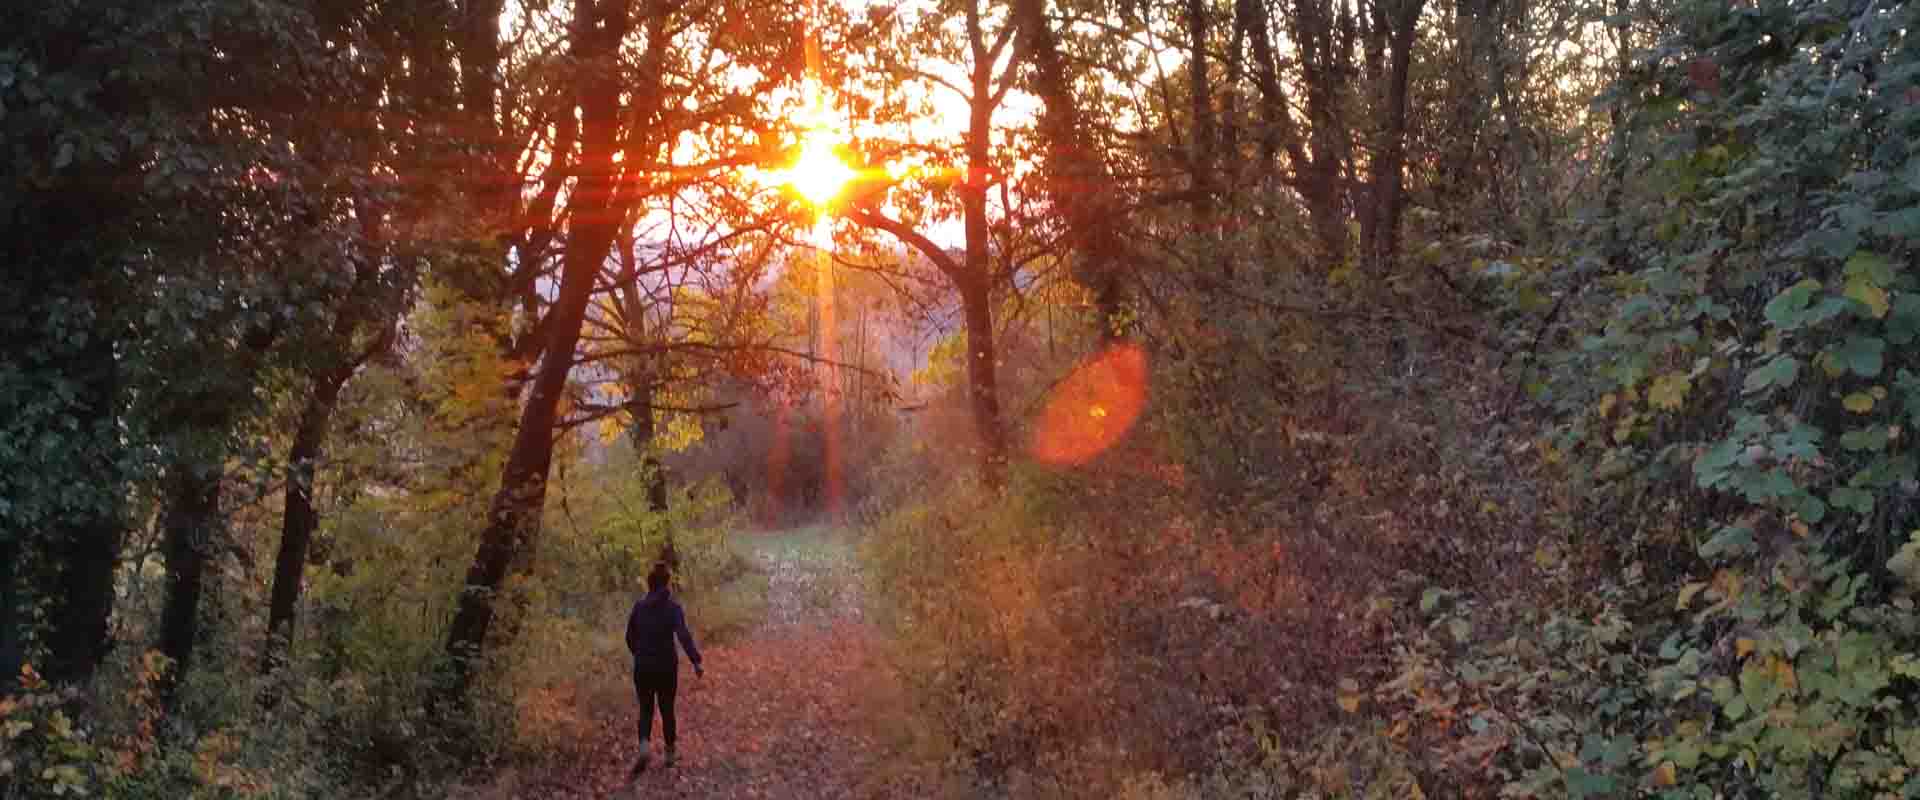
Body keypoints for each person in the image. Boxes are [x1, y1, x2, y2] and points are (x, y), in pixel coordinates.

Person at [625, 561, 703, 775]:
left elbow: (629, 637)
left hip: (643, 666)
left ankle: (643, 747)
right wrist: (695, 660)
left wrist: (639, 654)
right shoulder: (673, 608)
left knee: (645, 709)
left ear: (650, 583)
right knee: (667, 709)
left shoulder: (639, 607)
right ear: (667, 584)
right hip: (666, 667)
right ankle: (669, 754)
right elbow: (683, 635)